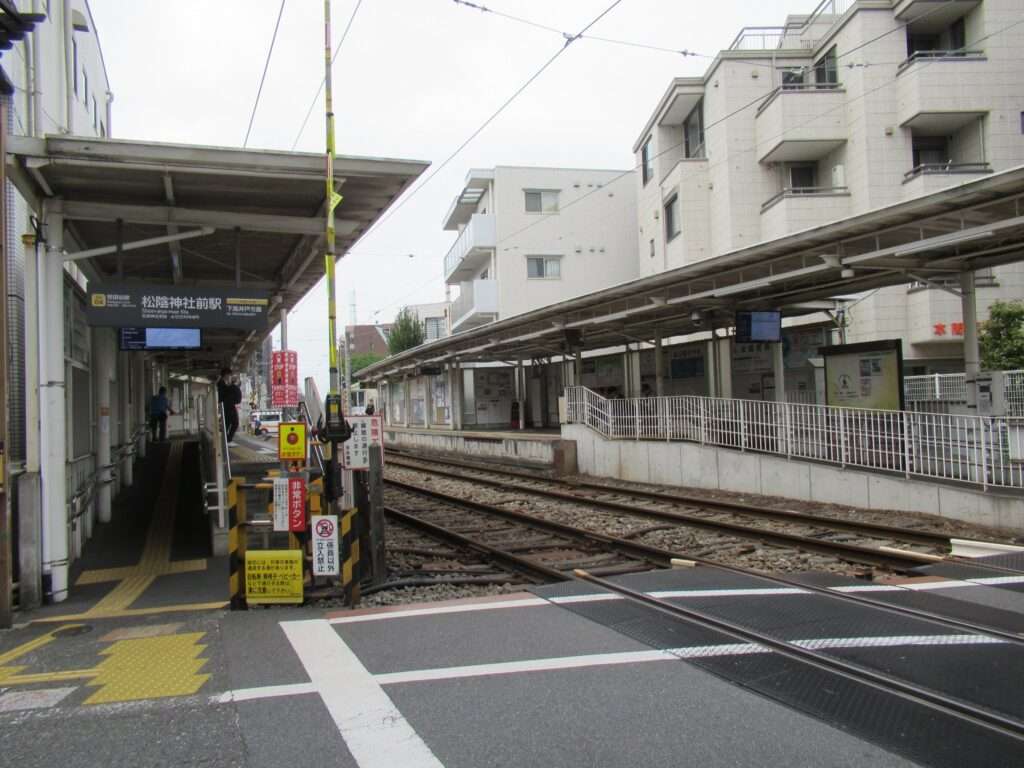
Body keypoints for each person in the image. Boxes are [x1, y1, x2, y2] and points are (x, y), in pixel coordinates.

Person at [218, 367, 241, 444]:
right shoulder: (221, 383)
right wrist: (233, 385)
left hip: (227, 407)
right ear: (226, 375)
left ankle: (226, 439)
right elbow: (224, 395)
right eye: (229, 375)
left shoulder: (223, 383)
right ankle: (227, 439)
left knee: (228, 424)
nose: (230, 376)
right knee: (234, 423)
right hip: (228, 407)